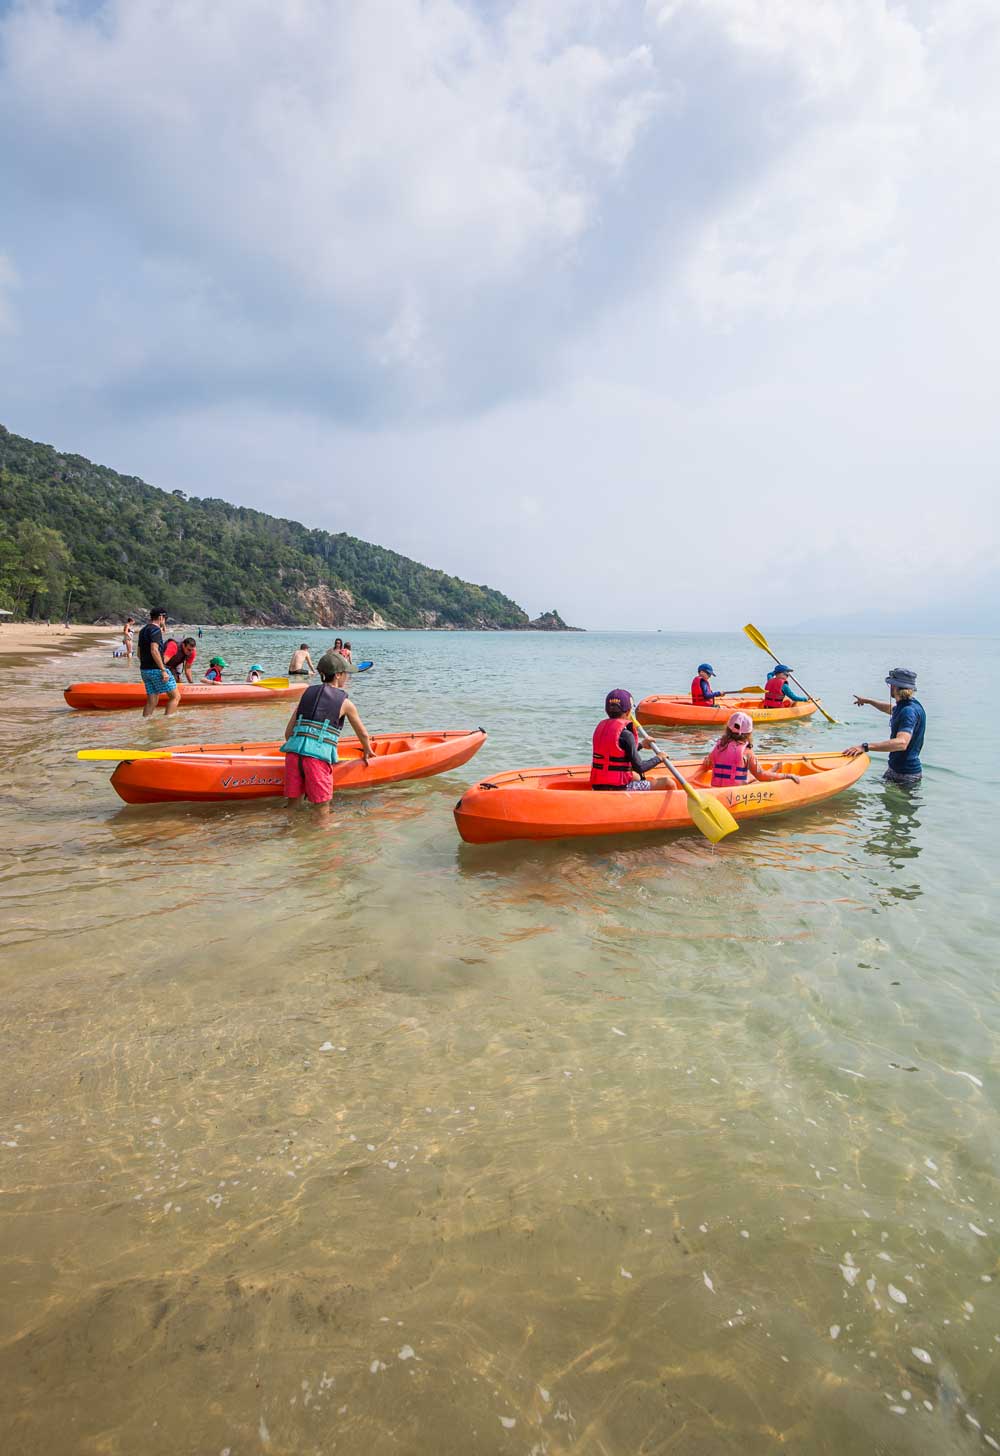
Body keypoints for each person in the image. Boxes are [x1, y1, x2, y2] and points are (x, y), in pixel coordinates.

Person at [281, 650, 375, 815]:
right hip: (316, 760)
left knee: (292, 806)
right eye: (346, 673)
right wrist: (367, 749)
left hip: (293, 756)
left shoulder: (306, 695)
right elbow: (363, 734)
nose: (347, 677)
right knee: (322, 808)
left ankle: (288, 833)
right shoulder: (345, 703)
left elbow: (288, 733)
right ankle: (324, 838)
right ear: (338, 675)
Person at [844, 668, 926, 786]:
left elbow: (902, 743)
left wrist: (865, 746)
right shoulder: (909, 705)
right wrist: (869, 701)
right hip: (898, 771)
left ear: (894, 687)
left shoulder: (908, 711)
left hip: (905, 776)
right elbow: (891, 709)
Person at [591, 689, 675, 792]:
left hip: (597, 785)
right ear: (628, 711)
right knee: (668, 783)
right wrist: (659, 758)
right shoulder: (626, 735)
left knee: (636, 777)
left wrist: (641, 745)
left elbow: (617, 752)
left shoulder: (601, 729)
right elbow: (640, 767)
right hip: (620, 788)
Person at [700, 711, 800, 788]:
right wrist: (787, 776)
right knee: (756, 779)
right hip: (736, 793)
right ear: (749, 733)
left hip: (716, 789)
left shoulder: (718, 746)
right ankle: (773, 773)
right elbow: (760, 776)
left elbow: (709, 764)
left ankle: (771, 771)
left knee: (750, 777)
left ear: (728, 728)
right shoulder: (746, 752)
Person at [137, 609, 180, 719]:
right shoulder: (156, 631)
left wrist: (147, 664)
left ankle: (146, 721)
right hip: (156, 669)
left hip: (145, 670)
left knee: (152, 700)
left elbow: (138, 653)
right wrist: (163, 670)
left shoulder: (143, 631)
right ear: (161, 617)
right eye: (164, 619)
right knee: (175, 697)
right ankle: (168, 721)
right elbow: (154, 650)